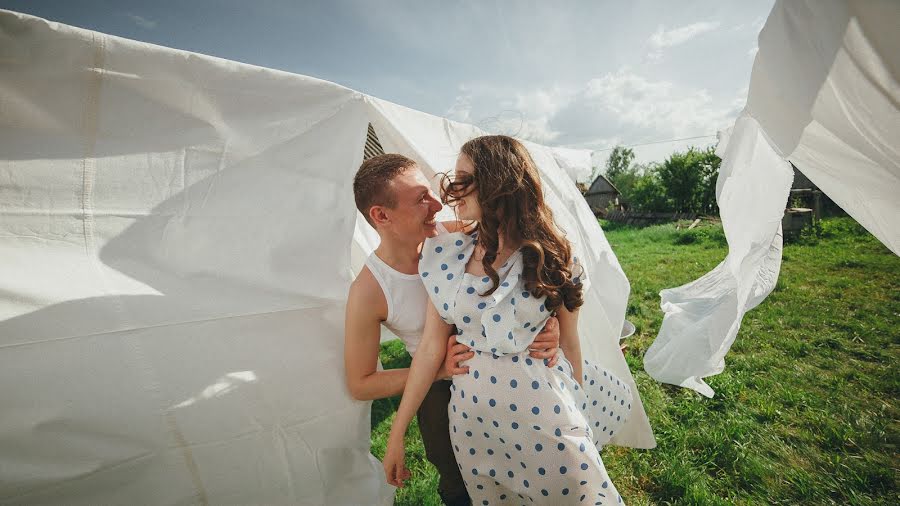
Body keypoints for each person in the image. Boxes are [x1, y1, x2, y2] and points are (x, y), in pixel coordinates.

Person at [382, 136, 634, 505]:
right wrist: (397, 432)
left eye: (464, 178)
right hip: (473, 427)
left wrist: (581, 412)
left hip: (544, 419)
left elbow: (570, 342)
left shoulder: (553, 257)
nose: (452, 189)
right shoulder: (447, 256)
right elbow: (429, 349)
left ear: (498, 181)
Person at [344, 153, 562, 506]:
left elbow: (526, 271)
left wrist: (551, 325)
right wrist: (439, 370)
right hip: (438, 395)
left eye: (431, 193)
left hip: (508, 380)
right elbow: (360, 382)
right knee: (464, 489)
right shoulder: (370, 291)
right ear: (381, 216)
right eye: (421, 200)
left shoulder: (456, 235)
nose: (437, 203)